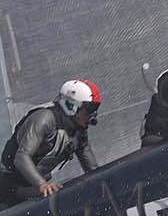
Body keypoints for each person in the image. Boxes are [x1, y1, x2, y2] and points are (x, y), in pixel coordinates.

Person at [0, 80, 101, 208]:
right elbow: (21, 158)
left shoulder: (79, 132)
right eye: (90, 109)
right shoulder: (44, 119)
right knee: (61, 196)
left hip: (33, 188)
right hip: (8, 187)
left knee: (74, 188)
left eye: (96, 109)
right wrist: (42, 184)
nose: (93, 115)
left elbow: (93, 171)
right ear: (71, 106)